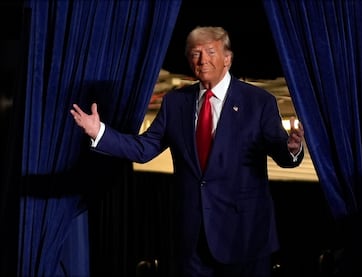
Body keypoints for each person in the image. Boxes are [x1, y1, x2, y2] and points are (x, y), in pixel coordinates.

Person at [71, 26, 304, 277]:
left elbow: (280, 152)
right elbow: (145, 148)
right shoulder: (175, 102)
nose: (202, 60)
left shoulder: (258, 102)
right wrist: (100, 132)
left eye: (210, 52)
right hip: (191, 238)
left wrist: (291, 148)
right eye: (195, 53)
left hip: (244, 236)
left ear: (228, 58)